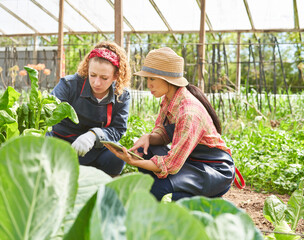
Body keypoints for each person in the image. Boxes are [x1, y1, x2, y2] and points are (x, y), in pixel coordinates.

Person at [104, 47, 236, 200]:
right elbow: (164, 133)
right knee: (147, 150)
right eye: (147, 79)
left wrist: (133, 161)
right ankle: (172, 194)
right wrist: (148, 137)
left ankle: (197, 197)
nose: (148, 84)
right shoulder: (169, 99)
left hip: (213, 171)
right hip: (190, 161)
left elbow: (171, 164)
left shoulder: (189, 112)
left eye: (152, 79)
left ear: (168, 79)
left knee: (156, 189)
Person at [47, 41, 131, 176]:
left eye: (104, 78)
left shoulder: (122, 96)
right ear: (87, 69)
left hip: (96, 148)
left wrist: (93, 135)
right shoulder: (68, 85)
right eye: (92, 75)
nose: (97, 83)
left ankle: (101, 186)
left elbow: (118, 129)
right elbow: (47, 115)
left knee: (116, 158)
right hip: (63, 145)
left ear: (116, 76)